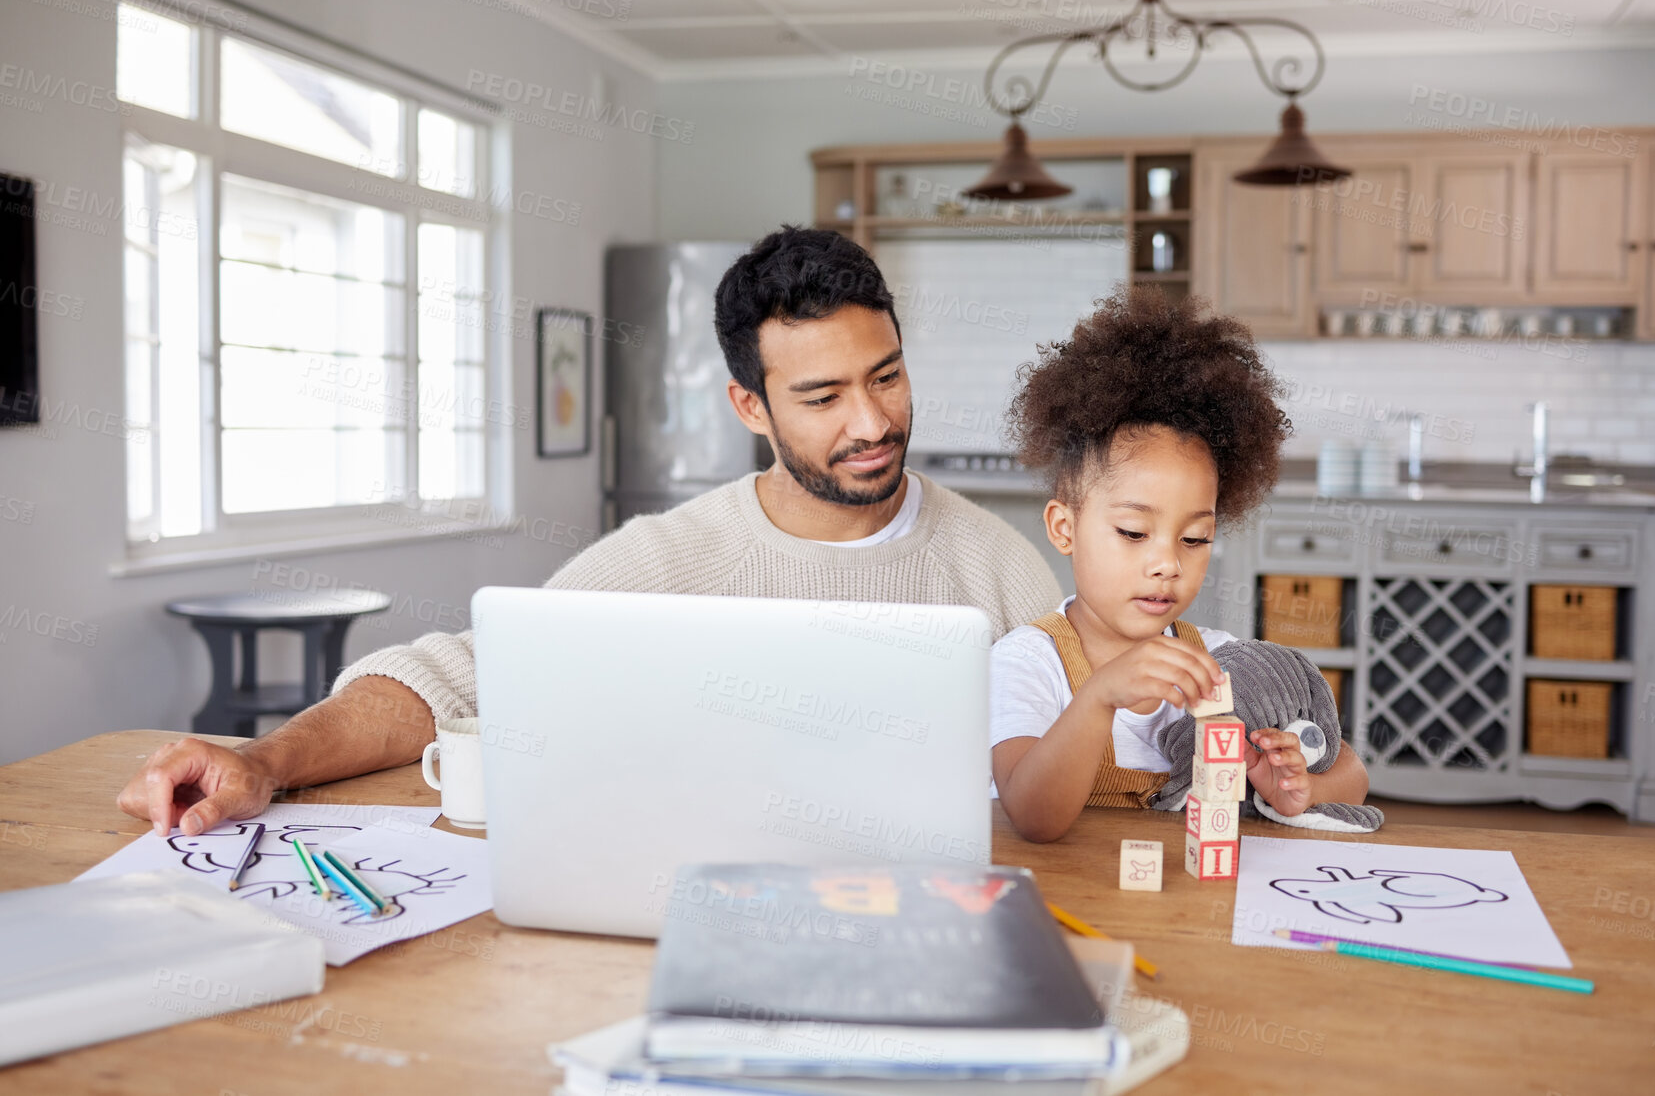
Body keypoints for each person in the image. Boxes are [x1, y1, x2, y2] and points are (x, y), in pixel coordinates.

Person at [119, 226, 1061, 837]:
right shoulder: (670, 557)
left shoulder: (999, 567)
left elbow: (1099, 761)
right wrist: (261, 762)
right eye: (821, 395)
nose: (871, 421)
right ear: (749, 405)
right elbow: (460, 672)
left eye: (886, 376)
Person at [989, 285, 1369, 843]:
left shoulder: (1217, 661)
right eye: (1134, 533)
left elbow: (1354, 777)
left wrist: (1295, 786)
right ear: (1064, 528)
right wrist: (1099, 698)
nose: (1167, 562)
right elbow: (1033, 816)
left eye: (1194, 538)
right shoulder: (1027, 663)